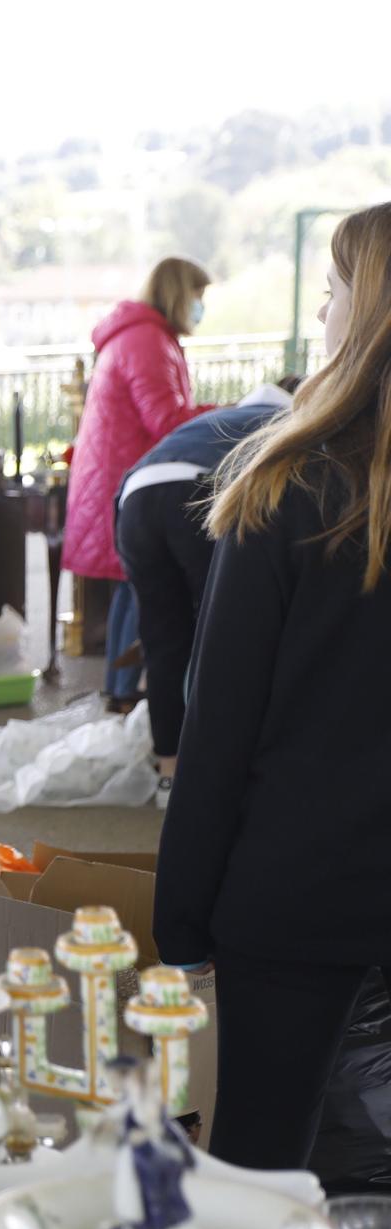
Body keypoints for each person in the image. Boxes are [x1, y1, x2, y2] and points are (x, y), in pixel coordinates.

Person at [154, 202, 391, 1171]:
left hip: (292, 895)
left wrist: (180, 922)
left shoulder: (285, 485)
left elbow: (220, 732)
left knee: (256, 1165)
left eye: (334, 290)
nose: (323, 310)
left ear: (366, 314)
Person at [115, 377, 297, 800]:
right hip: (199, 492)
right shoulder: (291, 419)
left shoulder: (222, 416)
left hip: (135, 498)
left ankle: (169, 772)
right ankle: (217, 775)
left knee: (163, 643)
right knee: (221, 639)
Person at [63, 256, 215, 704]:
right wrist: (227, 413)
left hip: (119, 477)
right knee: (143, 590)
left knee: (135, 589)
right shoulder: (148, 340)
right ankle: (126, 696)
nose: (200, 308)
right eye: (198, 298)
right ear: (178, 294)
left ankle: (122, 692)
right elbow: (166, 419)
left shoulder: (140, 335)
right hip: (128, 482)